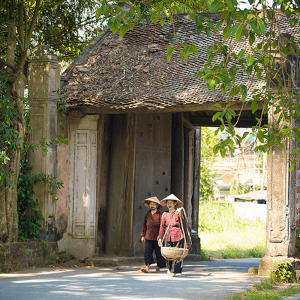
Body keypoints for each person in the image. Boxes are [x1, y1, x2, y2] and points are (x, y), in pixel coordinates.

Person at [158, 194, 184, 277]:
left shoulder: (178, 213)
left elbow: (183, 225)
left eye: (171, 202)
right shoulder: (164, 214)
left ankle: (174, 271)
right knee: (168, 254)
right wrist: (159, 238)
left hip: (178, 235)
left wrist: (180, 216)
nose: (169, 204)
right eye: (168, 203)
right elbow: (161, 227)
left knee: (177, 254)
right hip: (167, 235)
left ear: (175, 203)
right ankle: (169, 269)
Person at [140, 196, 166, 273]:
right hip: (148, 236)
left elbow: (162, 226)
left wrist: (161, 236)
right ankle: (147, 267)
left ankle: (158, 267)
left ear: (157, 205)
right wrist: (143, 235)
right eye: (151, 204)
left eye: (154, 204)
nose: (152, 205)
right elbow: (144, 224)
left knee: (158, 252)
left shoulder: (160, 214)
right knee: (147, 252)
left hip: (157, 237)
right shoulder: (147, 214)